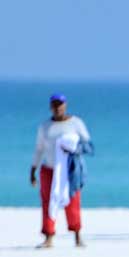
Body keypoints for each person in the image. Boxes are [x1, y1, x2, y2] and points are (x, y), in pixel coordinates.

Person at [30, 93, 90, 249]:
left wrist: (73, 148)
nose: (57, 108)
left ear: (65, 105)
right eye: (55, 105)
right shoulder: (45, 126)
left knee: (73, 201)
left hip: (70, 171)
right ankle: (48, 237)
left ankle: (77, 236)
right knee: (48, 203)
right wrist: (33, 169)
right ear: (51, 107)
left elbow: (87, 144)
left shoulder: (76, 123)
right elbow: (39, 149)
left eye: (60, 104)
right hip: (49, 169)